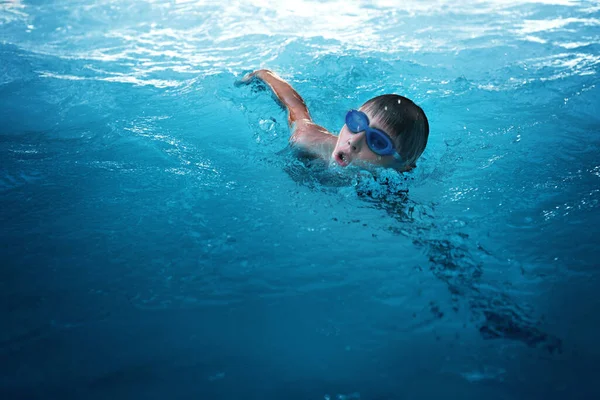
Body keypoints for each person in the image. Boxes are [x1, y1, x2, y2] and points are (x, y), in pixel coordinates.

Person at [237, 69, 429, 172]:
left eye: (377, 142)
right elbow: (293, 104)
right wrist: (262, 74)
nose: (353, 141)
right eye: (356, 124)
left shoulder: (387, 195)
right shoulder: (307, 141)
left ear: (404, 167)